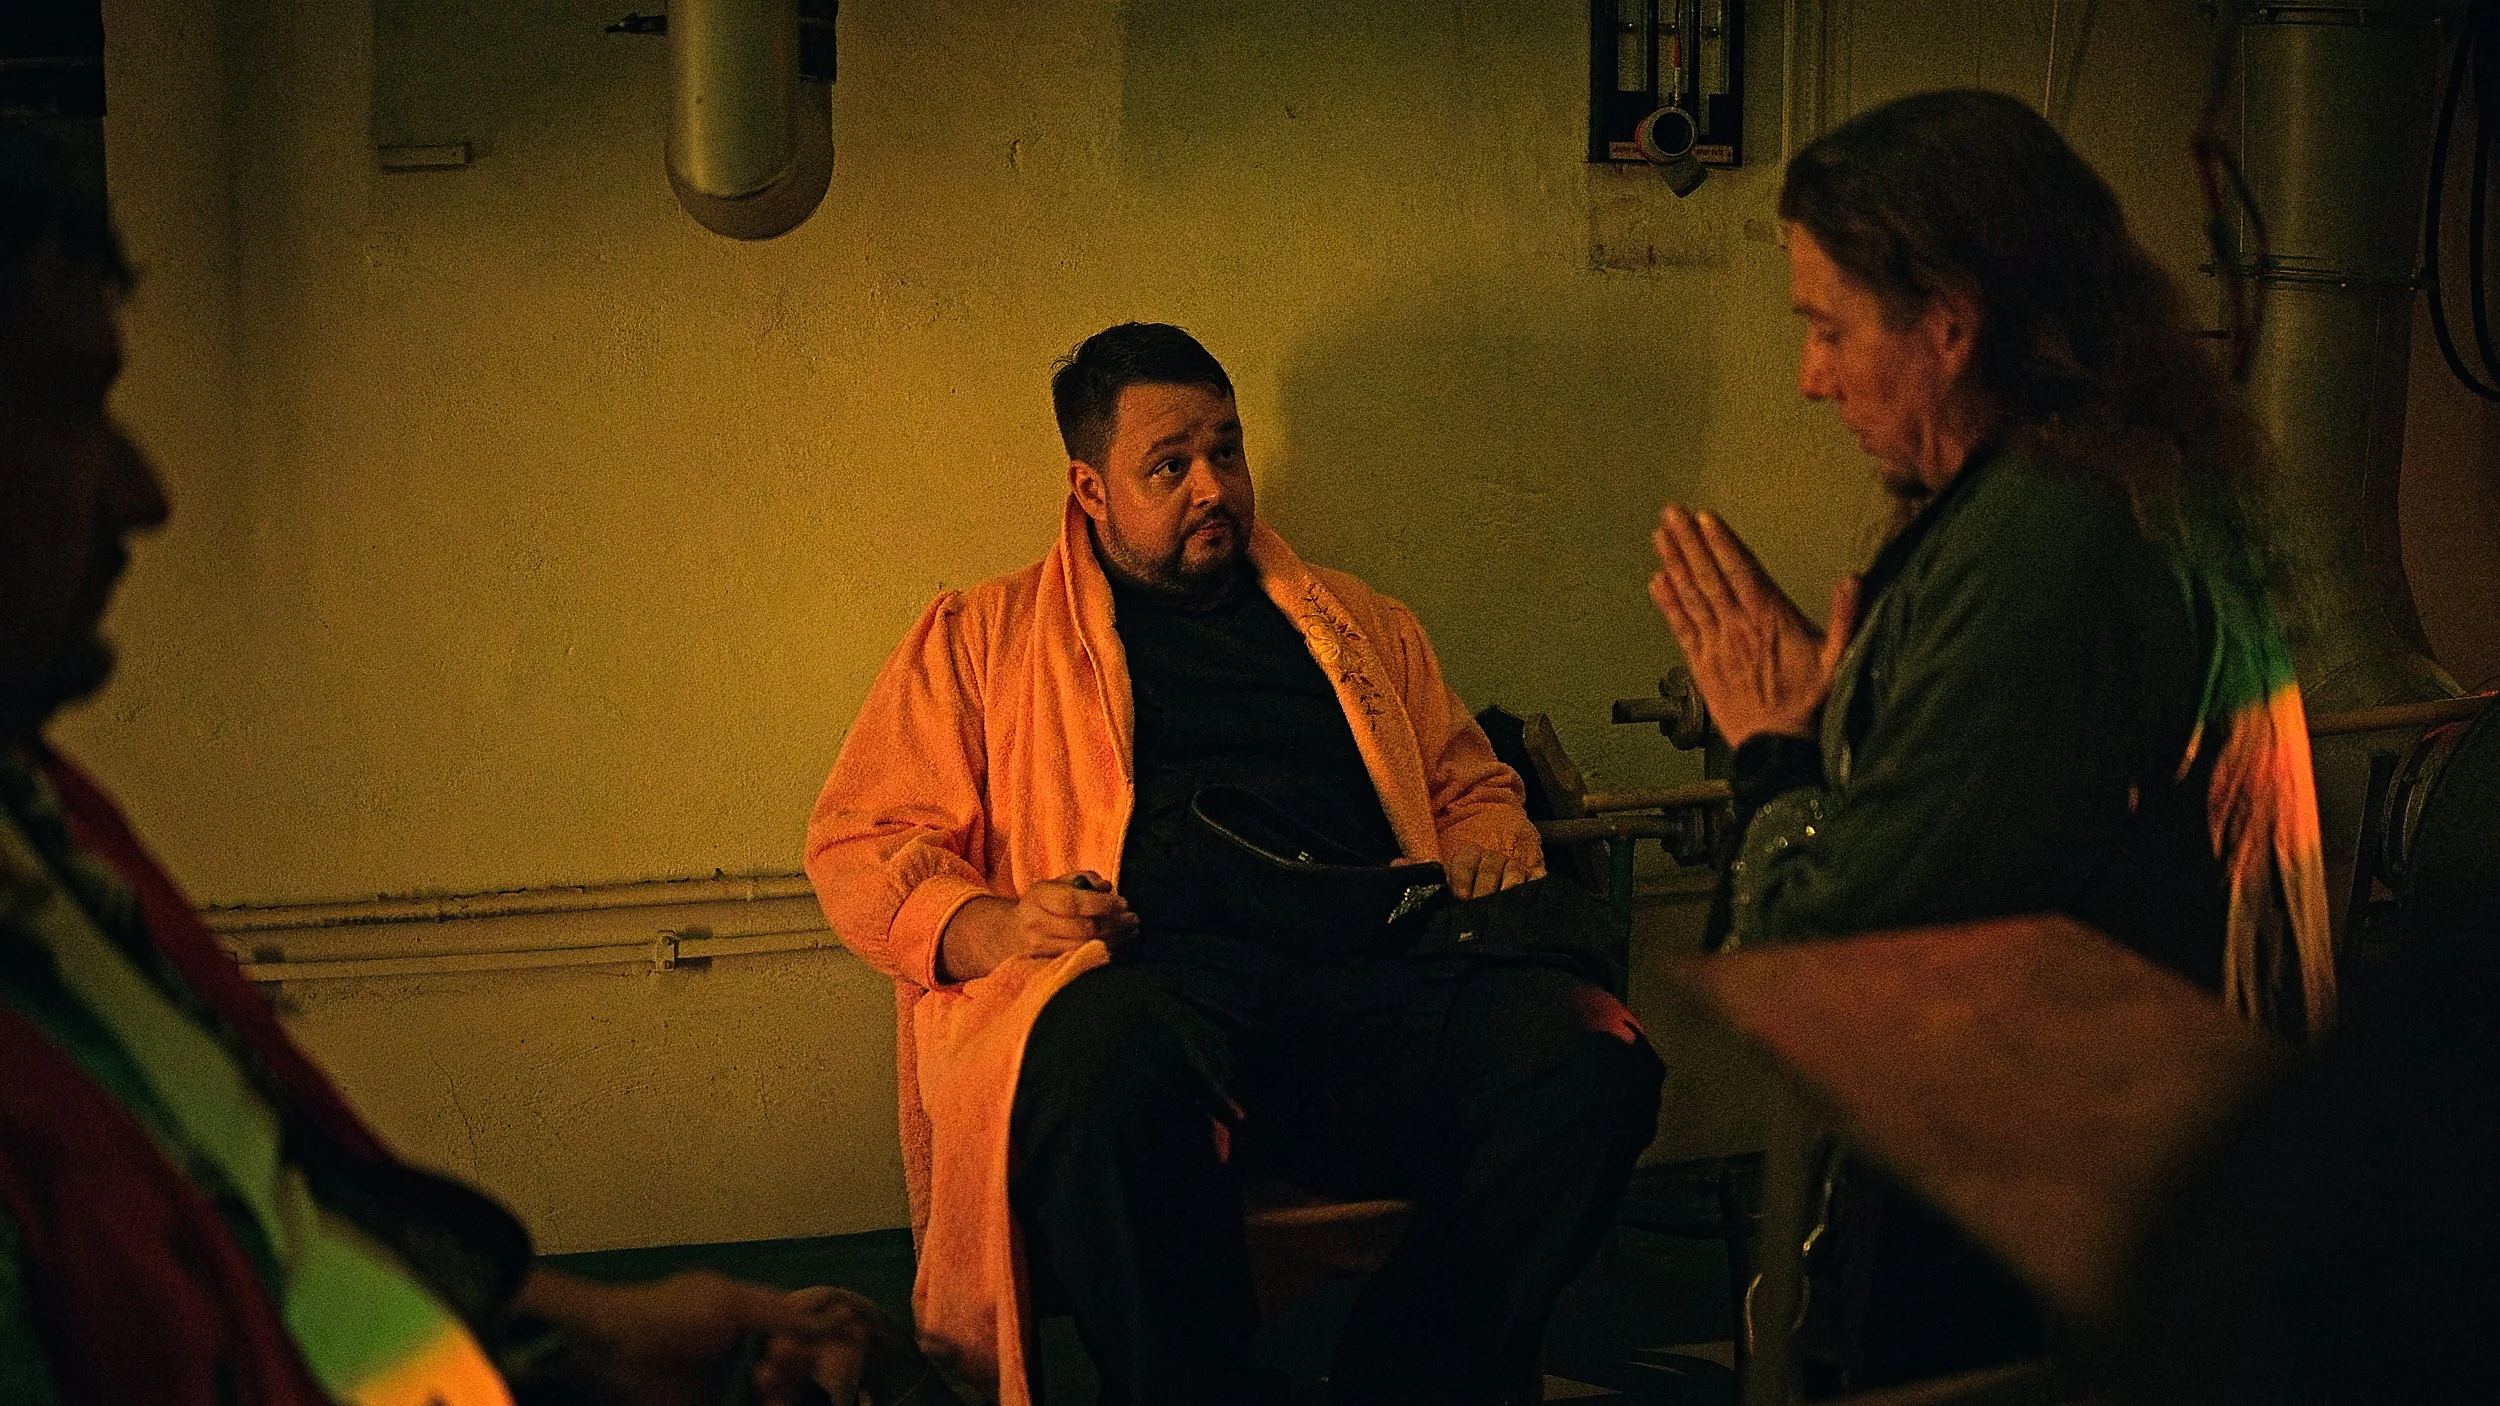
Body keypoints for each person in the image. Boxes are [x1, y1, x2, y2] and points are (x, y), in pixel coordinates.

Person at [0, 130, 943, 1406]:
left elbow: (288, 1232)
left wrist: (598, 1336)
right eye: (70, 405)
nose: (145, 492)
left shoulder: (49, 828)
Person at [806, 323, 1664, 1405]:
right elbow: (862, 845)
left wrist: (1490, 830)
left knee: (1592, 1057)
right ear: (1090, 489)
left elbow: (1468, 781)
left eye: (1225, 449)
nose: (1212, 486)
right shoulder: (982, 640)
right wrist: (1001, 925)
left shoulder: (1359, 625)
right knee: (1093, 1058)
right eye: (1169, 466)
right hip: (1156, 1000)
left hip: (1375, 981)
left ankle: (1408, 1375)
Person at [1645, 88, 2335, 1385]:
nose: (1810, 376)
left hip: (2055, 1245)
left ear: (1950, 327)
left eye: (1829, 327)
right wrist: (1854, 726)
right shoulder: (2123, 486)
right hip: (2150, 1207)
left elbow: (1844, 943)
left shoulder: (2052, 546)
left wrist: (1777, 757)